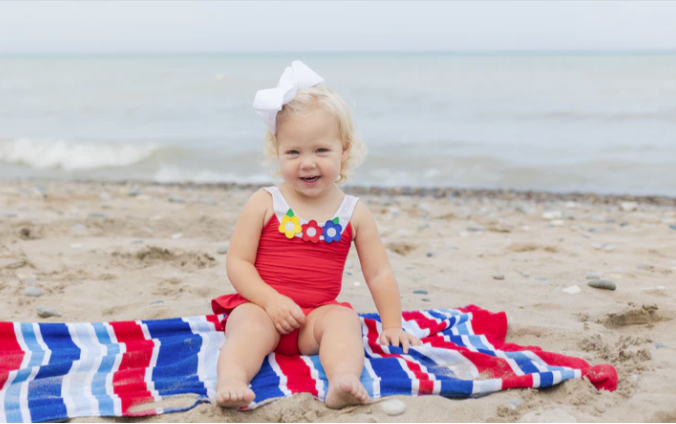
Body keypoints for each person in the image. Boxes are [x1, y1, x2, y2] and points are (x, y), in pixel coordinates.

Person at [213, 60, 421, 410]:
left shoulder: (353, 212)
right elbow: (238, 263)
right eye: (293, 152)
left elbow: (378, 272)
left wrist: (392, 324)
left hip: (314, 319)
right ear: (276, 153)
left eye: (321, 150)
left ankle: (342, 379)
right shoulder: (265, 203)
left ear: (345, 149)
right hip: (264, 310)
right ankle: (232, 380)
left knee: (344, 321)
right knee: (246, 326)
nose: (307, 163)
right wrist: (269, 300)